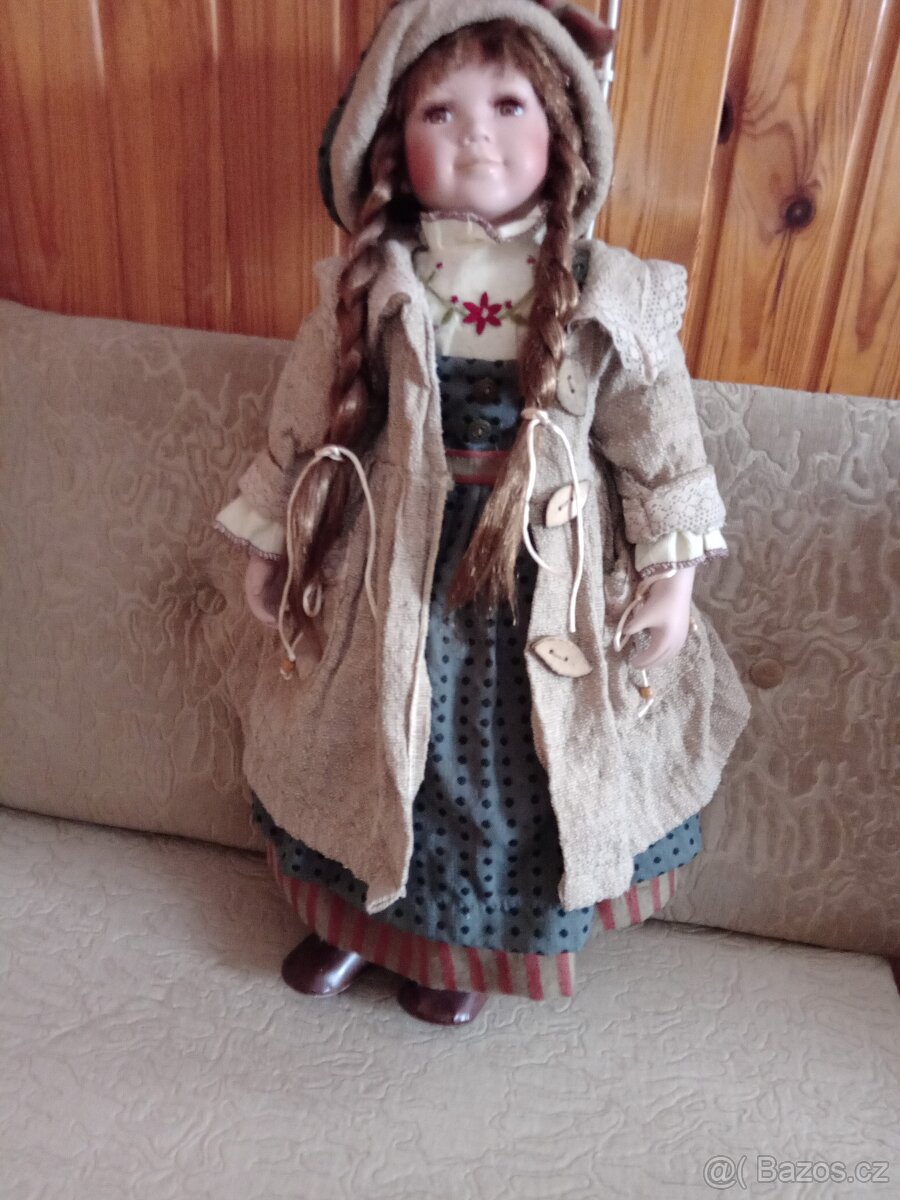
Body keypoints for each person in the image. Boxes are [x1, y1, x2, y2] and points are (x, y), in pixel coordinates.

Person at [213, 0, 750, 1027]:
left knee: (494, 769)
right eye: (439, 112)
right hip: (390, 566)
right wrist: (278, 534)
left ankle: (457, 950)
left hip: (534, 581)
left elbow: (660, 445)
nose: (475, 136)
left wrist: (670, 577)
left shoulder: (609, 292)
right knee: (366, 740)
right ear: (392, 143)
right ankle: (349, 922)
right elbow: (303, 421)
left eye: (508, 105)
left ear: (562, 130)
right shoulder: (372, 284)